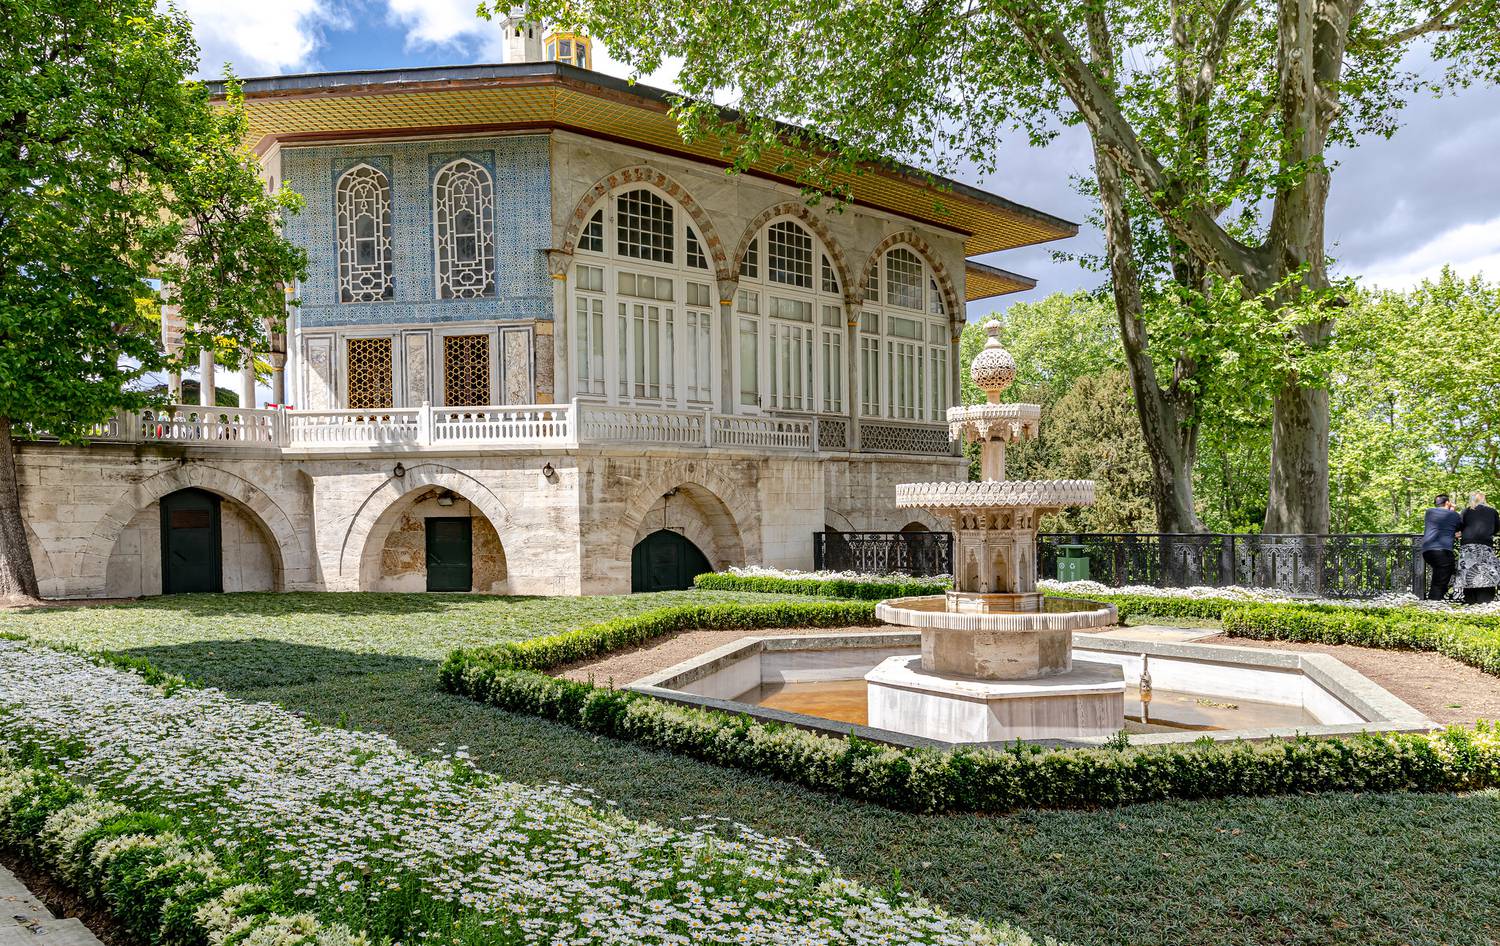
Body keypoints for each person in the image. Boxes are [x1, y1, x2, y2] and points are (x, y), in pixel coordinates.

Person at [1454, 491, 1500, 604]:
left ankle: (1470, 600)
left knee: (1468, 572)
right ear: (1484, 500)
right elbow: (1497, 528)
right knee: (1487, 572)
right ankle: (1485, 600)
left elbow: (1459, 526)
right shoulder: (1492, 511)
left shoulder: (1466, 511)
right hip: (1485, 545)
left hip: (1468, 546)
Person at [1421, 493, 1461, 600]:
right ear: (1447, 502)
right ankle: (1434, 604)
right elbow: (1458, 528)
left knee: (1439, 575)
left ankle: (1437, 600)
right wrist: (1453, 509)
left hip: (1427, 551)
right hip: (1443, 551)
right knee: (1440, 581)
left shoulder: (1429, 512)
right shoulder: (1455, 515)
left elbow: (1446, 521)